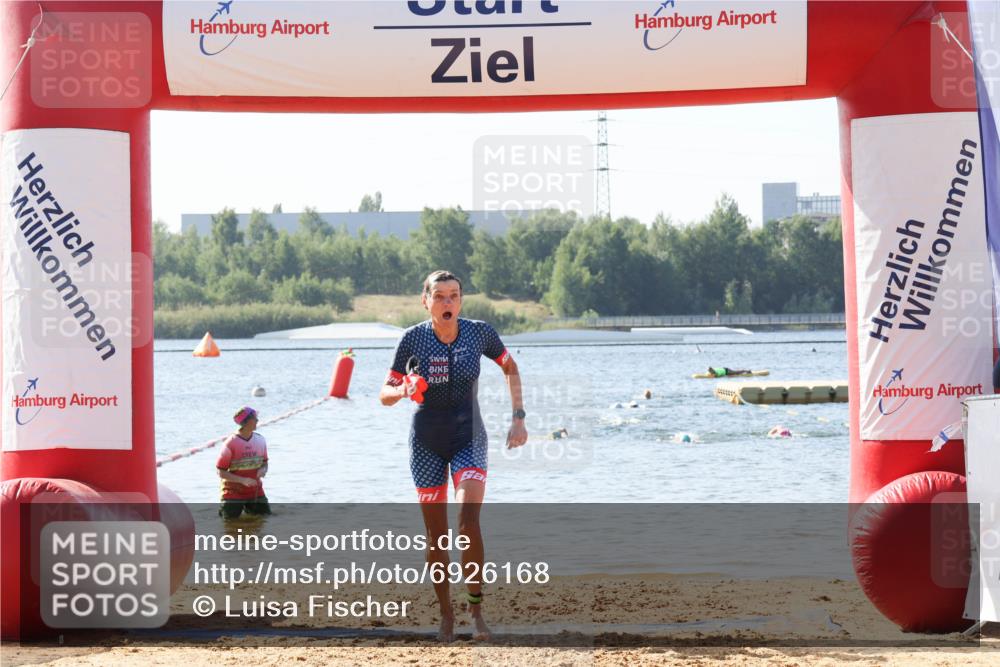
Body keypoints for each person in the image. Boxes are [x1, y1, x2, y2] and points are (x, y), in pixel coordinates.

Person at [381, 270, 527, 642]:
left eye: (454, 296)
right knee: (436, 537)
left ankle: (476, 612)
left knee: (467, 524)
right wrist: (403, 391)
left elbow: (510, 367)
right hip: (427, 442)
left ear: (461, 300)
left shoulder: (480, 332)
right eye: (440, 296)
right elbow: (384, 391)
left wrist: (518, 418)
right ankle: (446, 615)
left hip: (469, 437)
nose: (448, 303)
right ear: (425, 300)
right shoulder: (412, 339)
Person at [216, 406, 270, 519]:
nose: (257, 421)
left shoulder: (260, 440)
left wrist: (263, 470)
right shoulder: (230, 443)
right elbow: (220, 472)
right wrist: (243, 480)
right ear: (246, 421)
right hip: (232, 493)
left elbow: (265, 463)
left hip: (255, 491)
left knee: (265, 520)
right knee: (230, 526)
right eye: (255, 418)